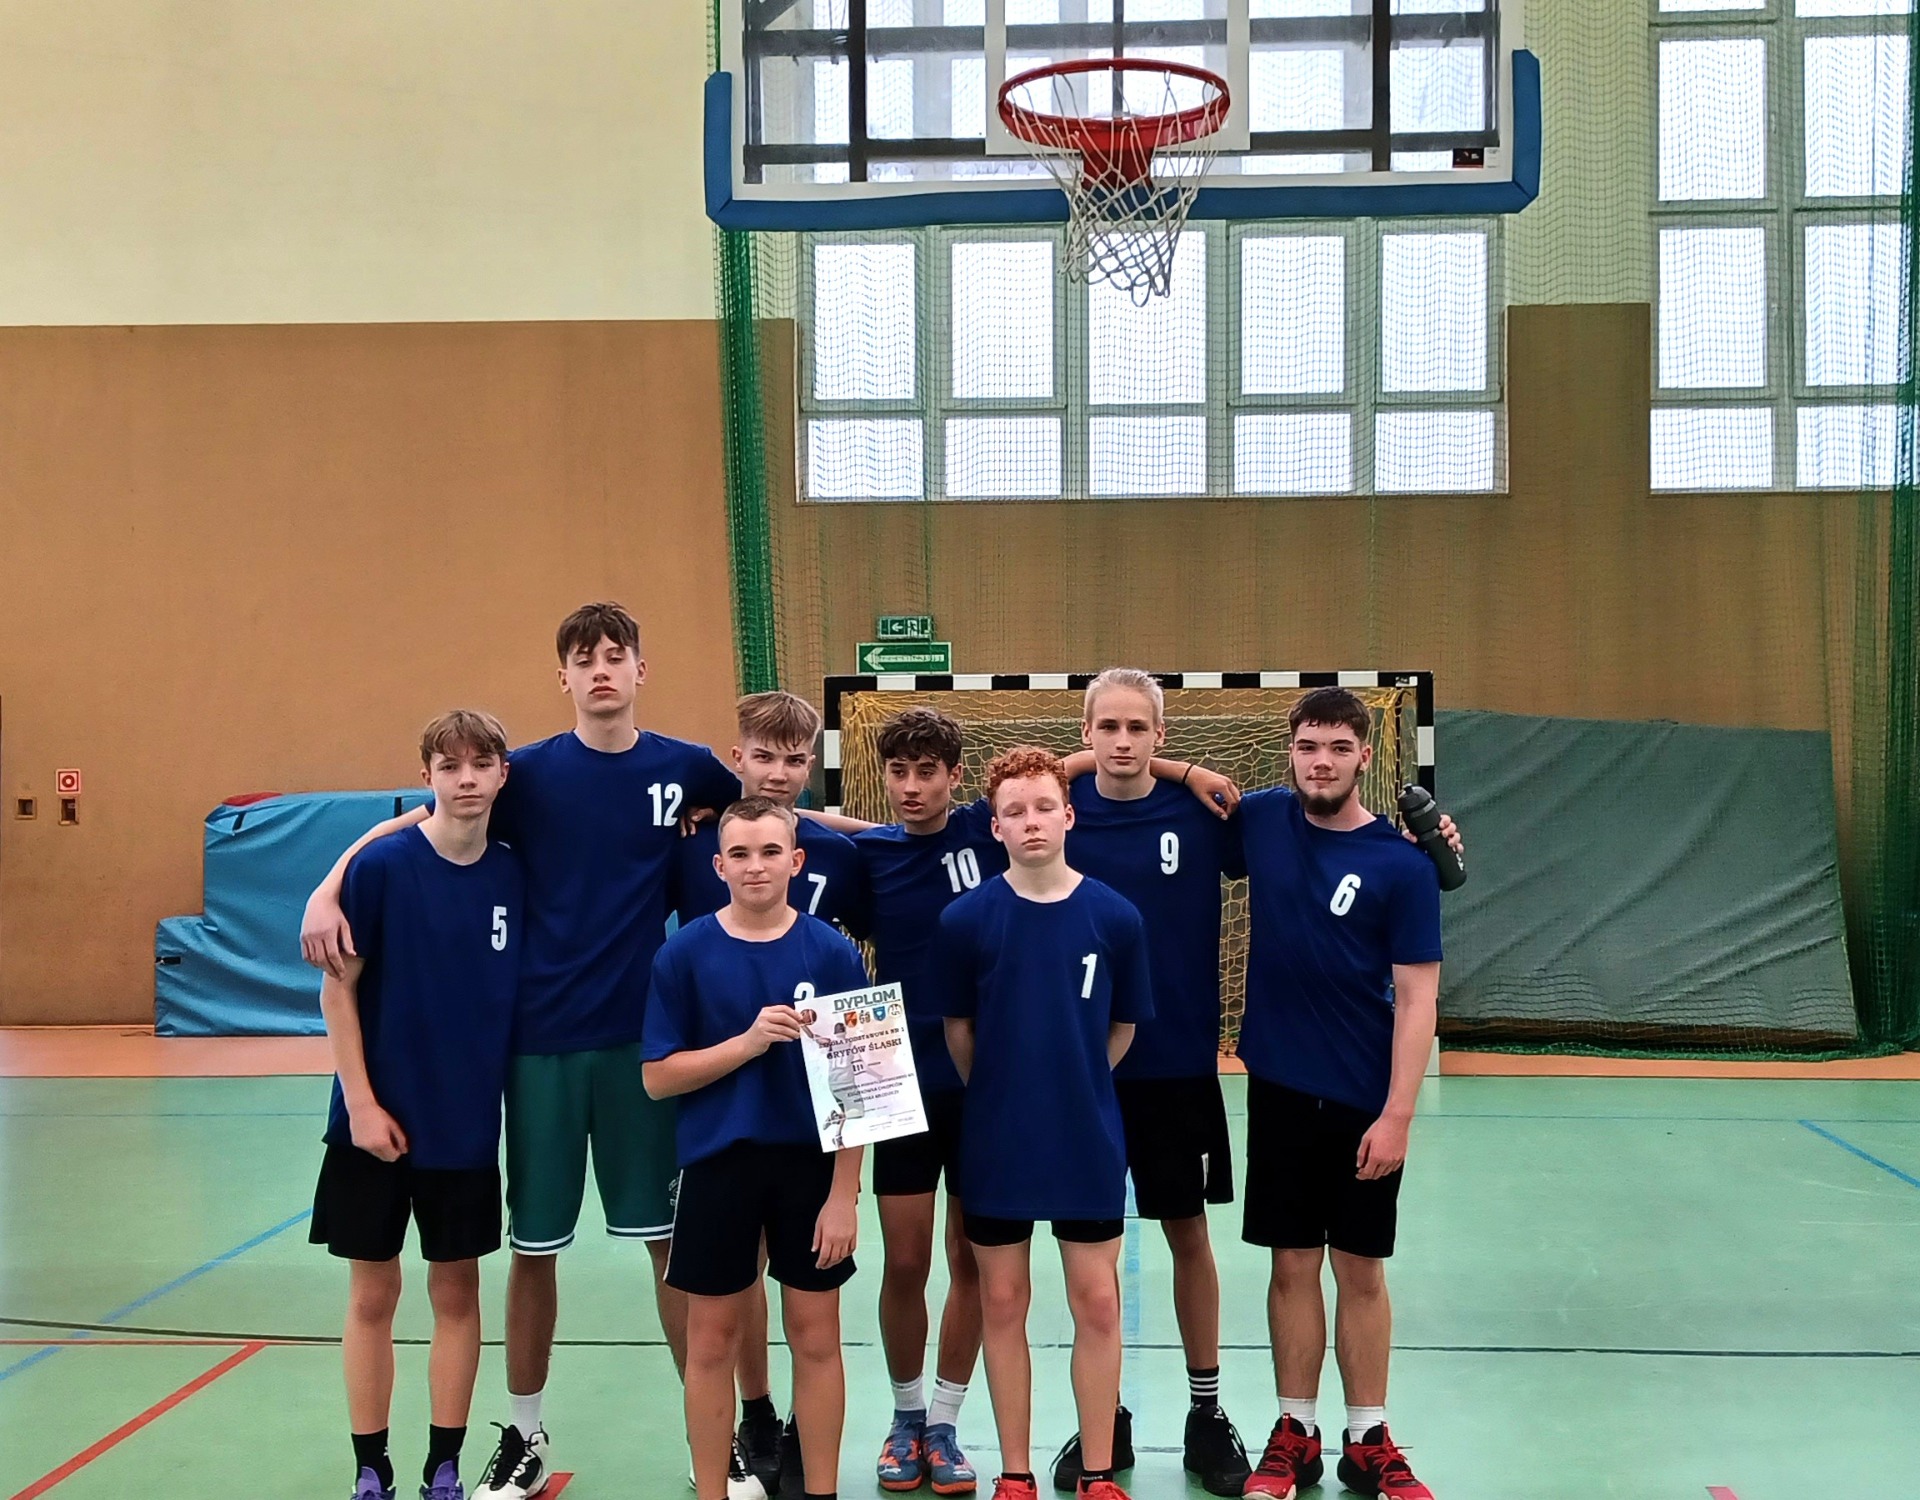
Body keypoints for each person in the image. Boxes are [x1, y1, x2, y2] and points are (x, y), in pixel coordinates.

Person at [300, 602, 745, 1500]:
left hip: (642, 1045)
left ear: (641, 670)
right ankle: (525, 1434)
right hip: (538, 1046)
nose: (601, 671)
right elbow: (418, 821)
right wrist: (328, 882)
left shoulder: (688, 768)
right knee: (534, 1249)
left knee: (669, 1248)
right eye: (584, 659)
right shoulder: (527, 773)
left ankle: (714, 1438)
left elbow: (772, 818)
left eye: (616, 656)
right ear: (563, 677)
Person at [810, 708, 1235, 1498]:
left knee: (983, 1273)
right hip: (894, 1067)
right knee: (906, 1260)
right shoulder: (872, 855)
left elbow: (1076, 766)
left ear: (961, 785)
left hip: (995, 1096)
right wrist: (753, 798)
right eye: (898, 772)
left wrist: (1183, 770)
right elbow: (800, 830)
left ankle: (947, 1422)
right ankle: (909, 1419)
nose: (912, 786)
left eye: (928, 771)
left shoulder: (996, 834)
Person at [1235, 687, 1443, 1500]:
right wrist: (1185, 769)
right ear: (1290, 751)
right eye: (1308, 747)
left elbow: (1418, 999)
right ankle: (1295, 1431)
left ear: (1365, 756)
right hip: (1281, 1087)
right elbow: (1146, 791)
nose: (1321, 762)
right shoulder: (1259, 820)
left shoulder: (1404, 863)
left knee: (1360, 1269)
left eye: (1337, 748)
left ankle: (1367, 1436)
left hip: (1364, 1098)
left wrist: (1398, 1116)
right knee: (1291, 1263)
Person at [311, 710, 523, 1500]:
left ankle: (445, 1465)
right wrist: (362, 1105)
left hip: (463, 1127)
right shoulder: (383, 867)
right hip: (373, 1126)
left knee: (457, 1293)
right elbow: (338, 994)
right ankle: (371, 1466)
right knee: (373, 1294)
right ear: (426, 776)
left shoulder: (514, 871)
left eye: (481, 764)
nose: (466, 779)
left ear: (502, 774)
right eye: (449, 766)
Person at [934, 745, 1154, 1500]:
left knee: (1097, 1301)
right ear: (995, 827)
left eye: (1042, 807)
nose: (1030, 821)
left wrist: (1074, 1083)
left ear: (1069, 815)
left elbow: (1122, 1030)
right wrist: (1006, 1092)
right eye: (1014, 811)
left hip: (1086, 1138)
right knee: (1002, 1302)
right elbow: (959, 1032)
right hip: (997, 1141)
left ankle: (1097, 1471)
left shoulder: (1115, 917)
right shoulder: (966, 921)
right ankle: (1016, 1472)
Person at [1050, 669, 1250, 1497]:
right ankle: (1107, 1418)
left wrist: (1187, 776)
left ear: (1161, 734)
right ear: (1086, 732)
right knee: (1088, 1254)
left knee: (1187, 1234)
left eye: (1140, 728)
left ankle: (1206, 1413)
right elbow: (1018, 780)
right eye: (1108, 727)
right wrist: (1180, 765)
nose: (1124, 741)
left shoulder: (1200, 815)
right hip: (1081, 1071)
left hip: (1175, 1065)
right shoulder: (1057, 813)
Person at [668, 690, 868, 1495]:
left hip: (810, 1159)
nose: (756, 865)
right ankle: (732, 1454)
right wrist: (746, 1043)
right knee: (715, 1330)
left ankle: (814, 1477)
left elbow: (860, 1080)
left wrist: (845, 1194)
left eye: (772, 851)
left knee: (815, 1332)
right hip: (718, 1151)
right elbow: (658, 1073)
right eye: (741, 853)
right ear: (719, 865)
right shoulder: (686, 938)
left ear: (797, 861)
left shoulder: (834, 941)